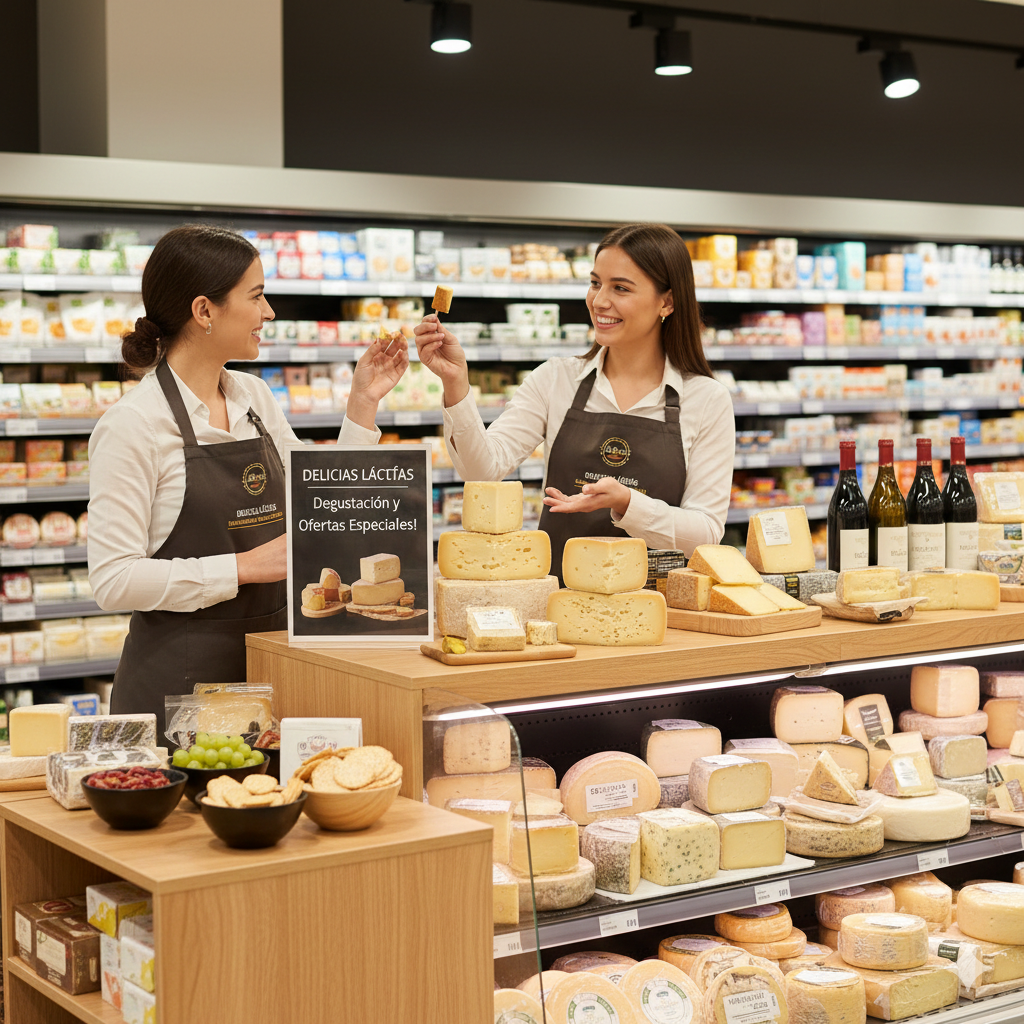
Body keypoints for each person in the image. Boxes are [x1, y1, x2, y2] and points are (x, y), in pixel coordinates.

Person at [88, 224, 406, 735]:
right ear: (204, 311)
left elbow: (320, 502)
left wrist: (363, 403)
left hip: (275, 667)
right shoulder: (133, 426)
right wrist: (244, 567)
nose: (269, 312)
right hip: (180, 690)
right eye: (256, 296)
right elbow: (113, 580)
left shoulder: (253, 398)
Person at [414, 222, 735, 580]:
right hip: (559, 603)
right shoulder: (555, 379)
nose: (599, 301)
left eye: (621, 288)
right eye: (596, 283)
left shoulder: (707, 399)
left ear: (668, 301)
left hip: (659, 608)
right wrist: (455, 382)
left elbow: (706, 532)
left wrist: (627, 502)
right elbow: (482, 470)